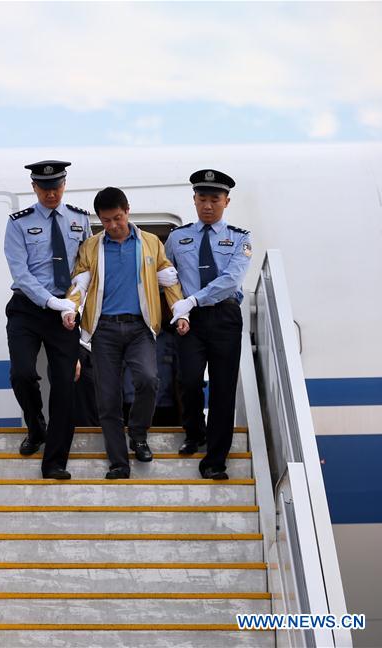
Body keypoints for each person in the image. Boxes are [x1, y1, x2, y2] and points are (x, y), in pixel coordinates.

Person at [64, 187, 189, 479]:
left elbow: (169, 280)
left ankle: (138, 434)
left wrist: (180, 312)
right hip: (103, 330)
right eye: (106, 220)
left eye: (117, 218)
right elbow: (79, 285)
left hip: (140, 327)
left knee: (148, 379)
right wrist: (70, 309)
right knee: (108, 398)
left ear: (127, 211)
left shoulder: (151, 243)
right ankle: (119, 462)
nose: (113, 225)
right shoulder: (91, 247)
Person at [3, 160, 91, 480]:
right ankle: (36, 427)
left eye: (56, 187)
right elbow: (20, 272)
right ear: (34, 188)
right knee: (22, 374)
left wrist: (74, 304)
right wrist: (51, 301)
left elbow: (87, 266)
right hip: (27, 308)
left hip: (66, 312)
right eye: (44, 188)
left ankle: (54, 462)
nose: (51, 194)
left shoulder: (81, 220)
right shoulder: (18, 223)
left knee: (65, 386)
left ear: (64, 185)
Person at [165, 169, 253, 480]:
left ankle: (216, 460)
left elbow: (231, 280)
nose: (207, 205)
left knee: (223, 388)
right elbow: (168, 277)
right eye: (202, 198)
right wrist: (180, 309)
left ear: (226, 201)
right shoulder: (177, 238)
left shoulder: (240, 238)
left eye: (215, 199)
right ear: (194, 199)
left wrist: (194, 299)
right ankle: (194, 432)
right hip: (190, 319)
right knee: (188, 379)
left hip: (224, 316)